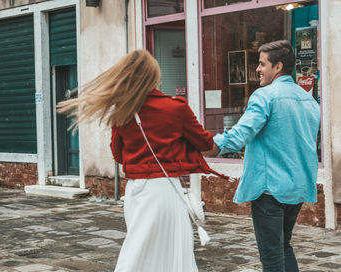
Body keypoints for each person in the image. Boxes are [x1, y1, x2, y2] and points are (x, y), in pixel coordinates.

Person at [57, 49, 227, 272]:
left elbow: (118, 156)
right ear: (154, 77)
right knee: (171, 252)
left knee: (139, 251)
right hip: (164, 190)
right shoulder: (175, 107)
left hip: (136, 191)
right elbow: (205, 144)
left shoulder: (123, 113)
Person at [205, 40, 320, 271]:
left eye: (261, 64)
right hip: (297, 187)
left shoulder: (264, 96)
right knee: (283, 247)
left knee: (272, 256)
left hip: (270, 189)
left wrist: (201, 144)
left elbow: (237, 137)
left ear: (277, 67)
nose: (257, 69)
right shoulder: (309, 99)